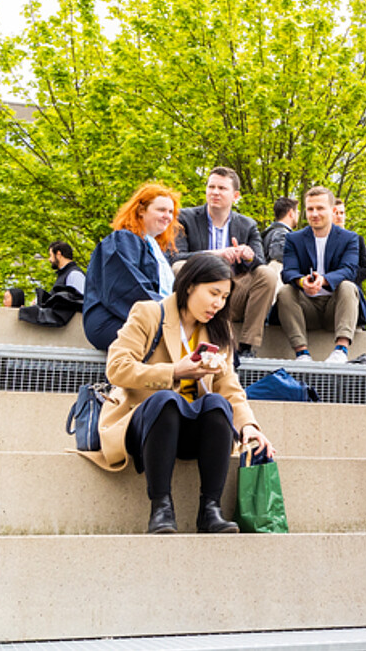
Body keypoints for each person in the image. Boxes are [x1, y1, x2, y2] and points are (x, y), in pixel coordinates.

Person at [82, 253, 275, 534]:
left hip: (192, 430)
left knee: (217, 403)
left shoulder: (219, 331)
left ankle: (210, 510)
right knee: (167, 400)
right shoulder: (149, 313)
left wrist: (249, 426)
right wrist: (174, 372)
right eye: (213, 293)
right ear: (189, 285)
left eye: (224, 297)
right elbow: (117, 368)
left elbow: (229, 386)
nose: (218, 304)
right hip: (147, 424)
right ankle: (161, 508)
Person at [170, 167, 278, 359]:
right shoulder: (185, 218)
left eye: (222, 188)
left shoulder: (247, 225)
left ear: (235, 195)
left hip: (233, 292)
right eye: (211, 187)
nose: (215, 192)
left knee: (267, 274)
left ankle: (247, 346)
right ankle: (185, 331)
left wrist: (247, 255)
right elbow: (174, 257)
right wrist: (214, 255)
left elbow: (260, 261)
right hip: (199, 291)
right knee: (180, 267)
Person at [83, 183, 181, 351]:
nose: (167, 216)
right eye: (161, 210)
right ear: (141, 210)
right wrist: (170, 314)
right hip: (112, 319)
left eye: (171, 212)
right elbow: (127, 286)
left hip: (143, 317)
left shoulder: (156, 250)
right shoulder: (123, 240)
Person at [276, 186, 366, 363]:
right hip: (305, 308)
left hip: (335, 309)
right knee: (285, 292)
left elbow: (350, 269)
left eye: (320, 208)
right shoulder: (294, 239)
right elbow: (288, 272)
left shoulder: (349, 238)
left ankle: (341, 350)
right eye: (310, 209)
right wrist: (303, 282)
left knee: (348, 286)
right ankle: (302, 353)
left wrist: (324, 280)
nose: (314, 213)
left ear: (332, 211)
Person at [19, 241, 88, 327]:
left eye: (51, 255)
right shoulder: (65, 274)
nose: (49, 259)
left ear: (58, 254)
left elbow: (80, 301)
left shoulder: (74, 274)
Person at [332, 198, 366, 292]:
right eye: (336, 213)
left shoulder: (357, 239)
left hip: (352, 291)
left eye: (342, 213)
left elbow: (365, 269)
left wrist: (345, 280)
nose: (339, 216)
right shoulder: (324, 240)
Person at [262, 197, 299, 270]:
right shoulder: (281, 233)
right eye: (297, 212)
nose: (298, 215)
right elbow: (278, 255)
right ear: (291, 213)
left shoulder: (269, 232)